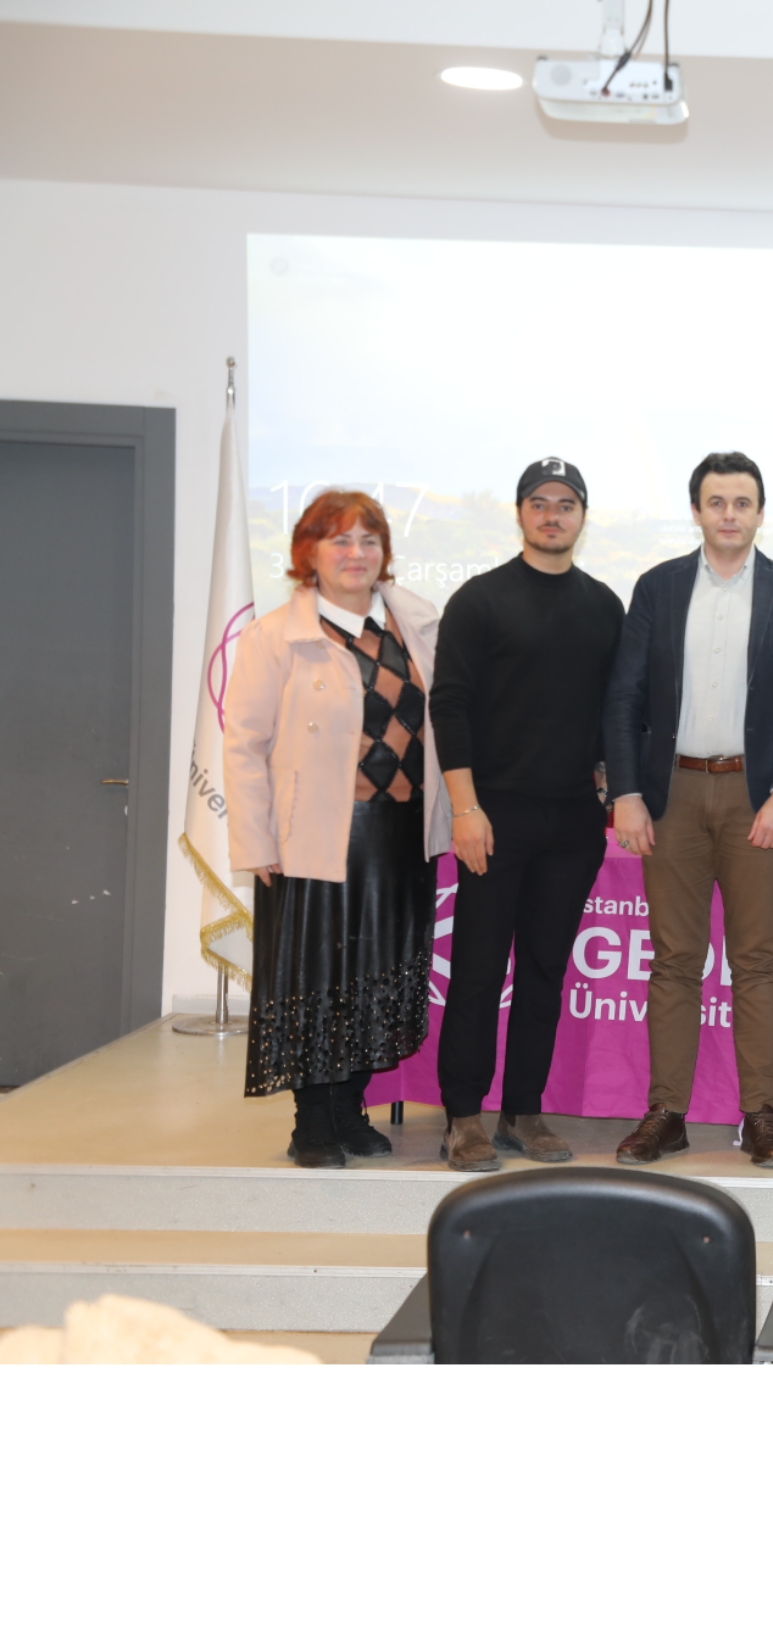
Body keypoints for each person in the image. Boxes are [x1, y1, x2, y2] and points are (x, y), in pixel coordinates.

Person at [603, 452, 773, 1168]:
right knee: (674, 959)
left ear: (760, 513)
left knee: (756, 960)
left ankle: (760, 1115)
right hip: (671, 795)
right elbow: (625, 698)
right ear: (696, 510)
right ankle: (665, 1114)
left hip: (758, 798)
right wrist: (626, 794)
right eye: (717, 502)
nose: (730, 514)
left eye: (742, 502)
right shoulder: (659, 587)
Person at [223, 490, 450, 1168]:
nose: (357, 554)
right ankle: (312, 1123)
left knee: (375, 976)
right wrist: (256, 841)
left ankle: (350, 1110)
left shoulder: (417, 624)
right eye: (340, 540)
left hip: (400, 834)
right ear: (309, 553)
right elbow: (244, 746)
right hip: (315, 837)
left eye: (369, 541)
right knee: (316, 979)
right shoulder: (274, 636)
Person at [429, 458, 624, 1172]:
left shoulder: (604, 606)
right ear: (519, 513)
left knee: (545, 971)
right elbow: (449, 705)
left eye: (566, 504)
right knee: (479, 972)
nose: (552, 515)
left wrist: (610, 780)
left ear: (582, 517)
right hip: (493, 818)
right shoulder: (479, 600)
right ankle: (463, 1118)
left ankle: (522, 1112)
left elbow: (614, 709)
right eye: (539, 502)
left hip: (573, 824)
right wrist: (466, 808)